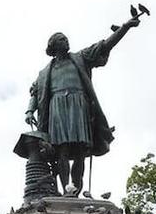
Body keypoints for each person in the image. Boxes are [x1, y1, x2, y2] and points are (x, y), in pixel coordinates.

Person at [24, 18, 141, 195]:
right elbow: (35, 92)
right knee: (61, 150)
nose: (66, 41)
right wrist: (29, 111)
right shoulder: (44, 73)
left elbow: (104, 46)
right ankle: (66, 190)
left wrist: (125, 27)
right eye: (62, 39)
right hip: (57, 108)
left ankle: (76, 190)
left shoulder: (80, 58)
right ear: (54, 46)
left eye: (66, 38)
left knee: (80, 150)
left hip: (79, 106)